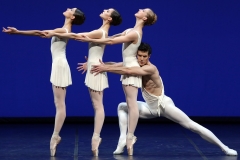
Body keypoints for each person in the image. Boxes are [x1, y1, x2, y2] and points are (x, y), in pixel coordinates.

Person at [87, 42, 238, 156]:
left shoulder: (150, 68)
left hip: (164, 105)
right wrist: (94, 64)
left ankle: (224, 147)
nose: (141, 59)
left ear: (149, 57)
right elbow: (117, 64)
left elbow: (126, 70)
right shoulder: (135, 63)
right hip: (150, 107)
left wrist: (105, 69)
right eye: (139, 56)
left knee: (192, 126)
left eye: (144, 56)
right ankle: (122, 139)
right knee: (122, 106)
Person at [2, 8, 85, 157]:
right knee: (59, 103)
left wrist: (18, 32)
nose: (67, 9)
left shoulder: (64, 29)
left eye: (70, 9)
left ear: (72, 16)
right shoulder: (65, 29)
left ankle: (55, 136)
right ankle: (56, 135)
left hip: (60, 66)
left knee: (60, 104)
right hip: (59, 65)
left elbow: (41, 33)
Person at [77, 8, 157, 156]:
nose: (139, 9)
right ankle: (129, 138)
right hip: (126, 67)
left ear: (144, 18)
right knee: (129, 103)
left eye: (143, 10)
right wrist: (97, 60)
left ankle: (130, 136)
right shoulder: (130, 30)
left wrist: (89, 39)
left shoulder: (135, 33)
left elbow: (111, 41)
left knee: (132, 105)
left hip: (131, 70)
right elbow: (110, 38)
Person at [44, 8, 122, 156]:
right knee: (96, 105)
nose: (104, 10)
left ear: (109, 18)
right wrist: (90, 63)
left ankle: (96, 138)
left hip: (96, 70)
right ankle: (95, 138)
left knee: (98, 105)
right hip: (93, 68)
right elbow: (95, 49)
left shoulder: (101, 32)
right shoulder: (101, 31)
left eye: (107, 11)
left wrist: (55, 33)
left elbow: (78, 36)